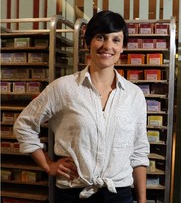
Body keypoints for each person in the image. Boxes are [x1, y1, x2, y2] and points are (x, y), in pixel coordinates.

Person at [13, 10, 150, 203]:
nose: (107, 46)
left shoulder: (133, 95)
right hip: (74, 193)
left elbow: (139, 151)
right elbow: (24, 125)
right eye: (100, 37)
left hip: (120, 195)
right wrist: (49, 165)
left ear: (123, 47)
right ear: (88, 43)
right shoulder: (64, 88)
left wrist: (142, 200)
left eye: (116, 40)